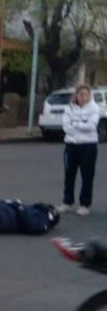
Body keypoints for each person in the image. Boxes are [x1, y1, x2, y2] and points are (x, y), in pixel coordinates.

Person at [59, 85, 100, 216]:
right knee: (69, 174)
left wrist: (75, 124)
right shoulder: (69, 108)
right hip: (71, 145)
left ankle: (85, 204)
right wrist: (80, 124)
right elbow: (66, 127)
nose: (83, 97)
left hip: (88, 145)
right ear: (76, 95)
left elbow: (91, 126)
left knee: (87, 175)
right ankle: (67, 202)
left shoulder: (95, 108)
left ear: (89, 96)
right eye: (80, 94)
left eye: (86, 95)